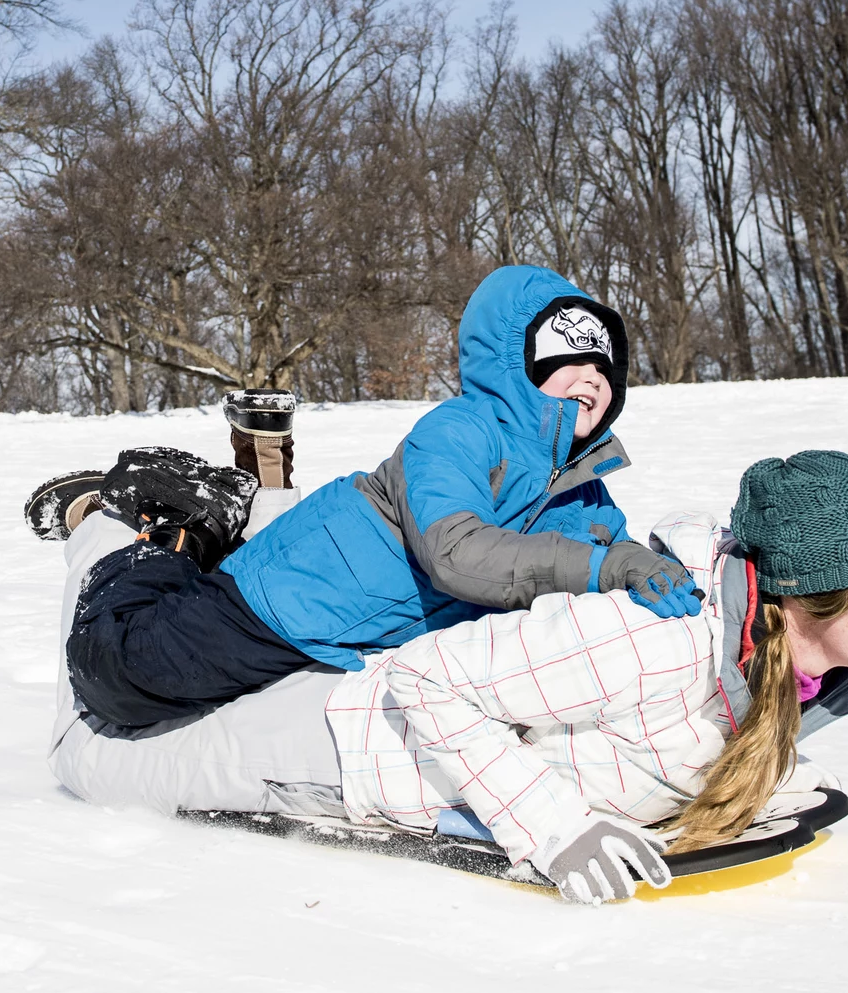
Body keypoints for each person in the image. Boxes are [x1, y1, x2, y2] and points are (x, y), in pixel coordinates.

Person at [48, 448, 848, 904]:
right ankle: (120, 522)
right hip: (344, 749)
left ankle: (194, 542)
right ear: (812, 589)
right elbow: (429, 681)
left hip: (370, 736)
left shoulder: (778, 669)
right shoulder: (657, 641)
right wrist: (553, 827)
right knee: (88, 758)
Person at [64, 265, 706, 733]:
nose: (592, 375)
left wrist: (661, 576)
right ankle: (167, 529)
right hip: (290, 598)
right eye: (568, 354)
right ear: (515, 361)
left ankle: (229, 509)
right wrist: (606, 567)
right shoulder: (460, 431)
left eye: (605, 364)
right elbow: (458, 555)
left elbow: (612, 564)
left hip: (353, 638)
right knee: (120, 678)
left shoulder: (584, 491)